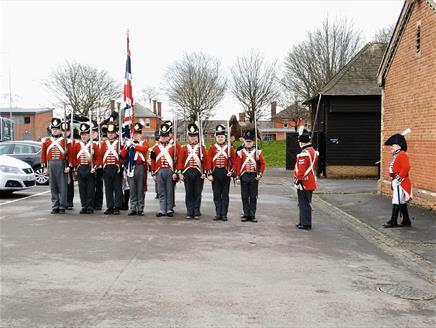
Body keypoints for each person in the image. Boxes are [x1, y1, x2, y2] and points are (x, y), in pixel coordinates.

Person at [41, 117, 73, 214]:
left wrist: (69, 166)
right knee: (53, 186)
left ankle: (62, 206)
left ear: (60, 129)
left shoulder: (65, 141)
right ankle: (55, 206)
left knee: (62, 186)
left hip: (61, 163)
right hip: (51, 164)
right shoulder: (46, 141)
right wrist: (45, 167)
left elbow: (70, 155)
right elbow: (43, 155)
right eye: (53, 129)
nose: (55, 131)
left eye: (57, 129)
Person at [177, 123, 208, 220]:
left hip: (198, 172)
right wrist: (180, 173)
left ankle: (196, 211)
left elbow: (206, 162)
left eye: (195, 136)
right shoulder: (184, 148)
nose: (193, 138)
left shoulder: (202, 148)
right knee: (189, 192)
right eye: (191, 136)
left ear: (198, 137)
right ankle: (190, 211)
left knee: (197, 192)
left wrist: (205, 173)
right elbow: (180, 161)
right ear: (188, 137)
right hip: (187, 172)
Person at [383, 129, 412, 228]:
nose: (391, 147)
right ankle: (406, 220)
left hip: (401, 181)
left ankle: (393, 221)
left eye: (393, 145)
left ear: (399, 146)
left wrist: (399, 178)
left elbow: (406, 168)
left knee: (396, 199)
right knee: (401, 201)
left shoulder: (402, 154)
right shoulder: (397, 155)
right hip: (398, 180)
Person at [235, 129, 265, 223]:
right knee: (244, 196)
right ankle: (245, 214)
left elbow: (263, 164)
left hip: (254, 176)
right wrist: (238, 177)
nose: (248, 143)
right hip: (244, 176)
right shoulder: (241, 152)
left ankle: (252, 215)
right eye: (247, 141)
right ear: (244, 141)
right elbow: (238, 165)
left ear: (253, 142)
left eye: (250, 141)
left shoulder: (257, 152)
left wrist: (260, 174)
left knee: (253, 196)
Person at [207, 124, 236, 221]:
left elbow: (234, 162)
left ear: (225, 137)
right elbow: (209, 161)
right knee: (216, 195)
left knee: (225, 195)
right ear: (216, 137)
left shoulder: (230, 148)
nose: (220, 138)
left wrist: (231, 172)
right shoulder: (212, 148)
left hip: (225, 172)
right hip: (215, 173)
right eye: (218, 137)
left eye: (222, 137)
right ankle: (218, 213)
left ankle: (224, 214)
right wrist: (209, 174)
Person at [150, 123, 179, 217]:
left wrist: (176, 172)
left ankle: (169, 208)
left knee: (169, 190)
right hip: (159, 171)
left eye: (166, 136)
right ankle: (162, 209)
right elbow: (152, 161)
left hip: (170, 171)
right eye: (162, 136)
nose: (164, 138)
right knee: (161, 191)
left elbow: (177, 161)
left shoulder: (173, 148)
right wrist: (153, 173)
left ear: (169, 137)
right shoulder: (155, 148)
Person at [293, 129, 318, 230]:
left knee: (303, 203)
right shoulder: (313, 152)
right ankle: (304, 221)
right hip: (310, 180)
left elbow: (302, 170)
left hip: (304, 181)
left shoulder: (304, 153)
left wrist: (298, 180)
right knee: (306, 203)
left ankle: (305, 223)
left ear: (301, 142)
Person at [121, 122, 149, 216]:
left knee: (140, 189)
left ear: (140, 134)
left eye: (138, 134)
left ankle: (140, 208)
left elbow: (144, 149)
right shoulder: (128, 143)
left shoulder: (143, 143)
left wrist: (133, 145)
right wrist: (127, 146)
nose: (136, 135)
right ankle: (133, 208)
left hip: (140, 167)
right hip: (130, 167)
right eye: (134, 134)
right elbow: (123, 155)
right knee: (132, 189)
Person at [72, 122, 99, 214]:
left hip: (90, 168)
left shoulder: (93, 145)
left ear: (89, 135)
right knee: (82, 189)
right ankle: (84, 206)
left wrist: (94, 167)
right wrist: (76, 168)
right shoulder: (77, 145)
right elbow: (73, 157)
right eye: (82, 134)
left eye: (85, 134)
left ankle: (90, 207)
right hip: (80, 169)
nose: (84, 136)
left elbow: (98, 158)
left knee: (90, 189)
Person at [99, 120, 123, 215]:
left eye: (112, 133)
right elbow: (101, 156)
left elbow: (123, 156)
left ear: (115, 133)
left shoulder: (119, 143)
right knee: (108, 188)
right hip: (107, 168)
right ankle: (110, 206)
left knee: (117, 188)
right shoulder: (104, 144)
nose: (110, 135)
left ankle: (117, 207)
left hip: (116, 168)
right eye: (109, 133)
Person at [61, 121, 75, 210]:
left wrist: (69, 166)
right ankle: (63, 201)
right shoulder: (59, 141)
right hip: (60, 164)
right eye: (63, 131)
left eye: (67, 131)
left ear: (69, 132)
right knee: (62, 184)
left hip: (69, 164)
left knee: (69, 184)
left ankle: (69, 202)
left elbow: (72, 155)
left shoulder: (71, 142)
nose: (65, 133)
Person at [91, 120, 104, 211]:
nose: (93, 134)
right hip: (90, 167)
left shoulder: (101, 143)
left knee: (99, 186)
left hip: (99, 167)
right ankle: (92, 202)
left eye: (94, 132)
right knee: (91, 186)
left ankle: (99, 203)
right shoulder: (89, 143)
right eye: (91, 132)